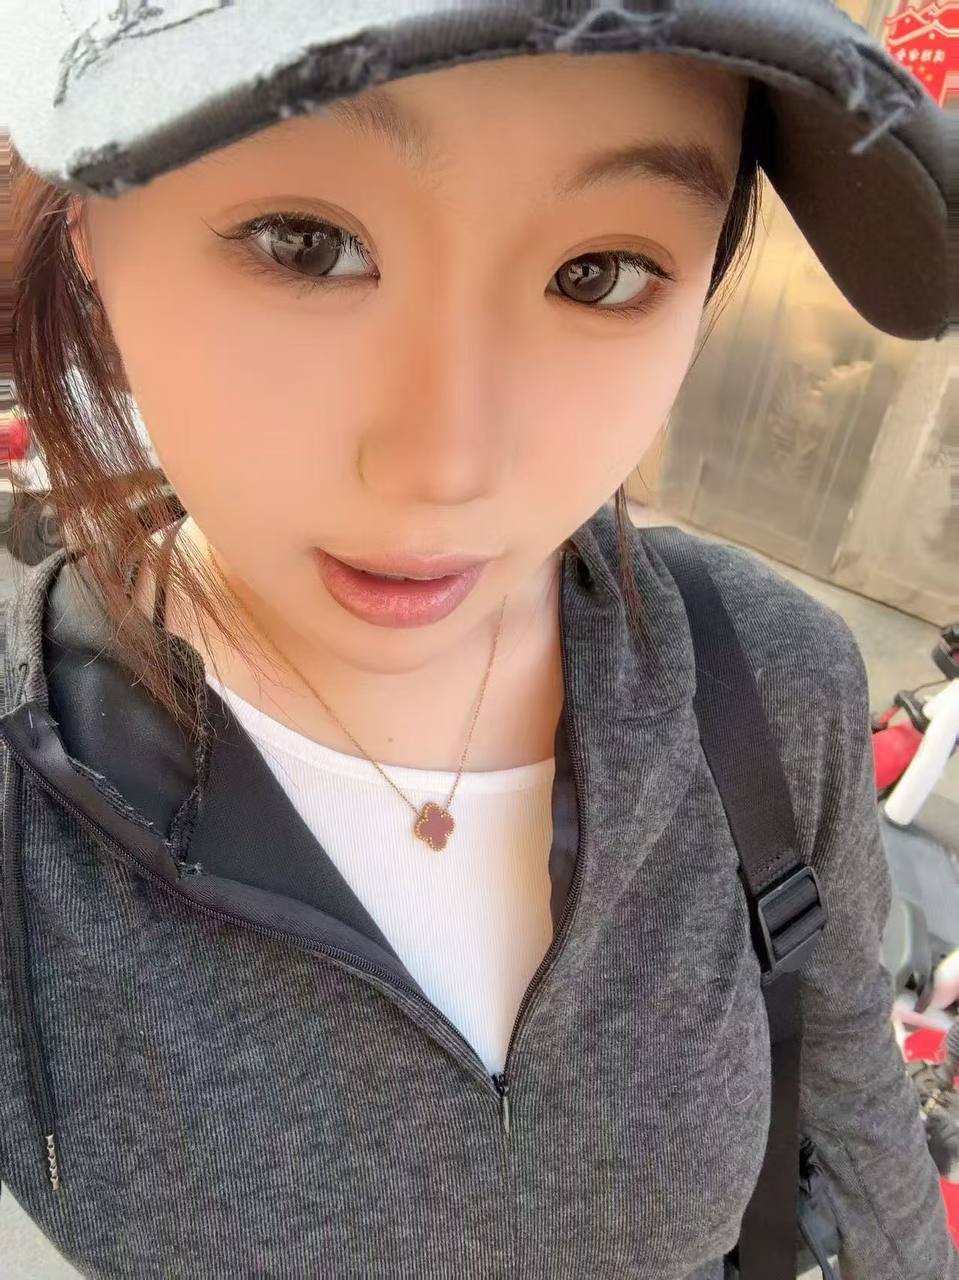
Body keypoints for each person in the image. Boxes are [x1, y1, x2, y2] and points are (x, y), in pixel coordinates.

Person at [1, 3, 953, 1278]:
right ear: (87, 224)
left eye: (598, 272)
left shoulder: (767, 684)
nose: (446, 468)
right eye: (306, 243)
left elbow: (854, 1112)